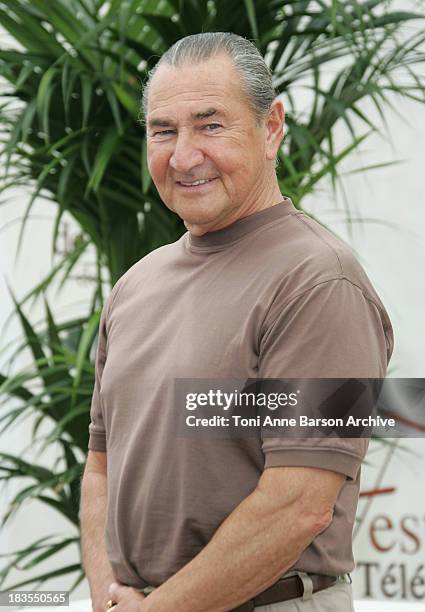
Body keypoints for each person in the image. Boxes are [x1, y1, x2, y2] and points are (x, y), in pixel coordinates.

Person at [80, 32, 394, 612]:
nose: (183, 156)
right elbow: (101, 463)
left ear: (271, 127)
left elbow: (298, 503)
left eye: (210, 125)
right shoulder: (135, 285)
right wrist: (108, 592)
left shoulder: (320, 282)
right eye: (164, 130)